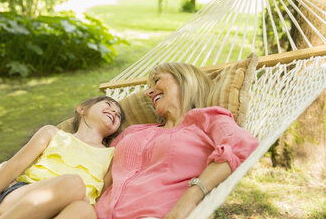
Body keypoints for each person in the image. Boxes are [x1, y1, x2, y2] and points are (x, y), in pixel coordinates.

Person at [95, 62, 259, 219]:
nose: (149, 93)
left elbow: (242, 146)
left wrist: (190, 198)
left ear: (185, 79)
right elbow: (104, 174)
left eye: (156, 81)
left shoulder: (207, 119)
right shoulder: (132, 131)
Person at [0, 96, 125, 219]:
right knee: (73, 183)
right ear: (82, 109)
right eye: (109, 104)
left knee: (85, 211)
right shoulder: (53, 134)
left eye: (118, 115)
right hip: (21, 202)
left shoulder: (110, 155)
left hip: (65, 212)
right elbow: (13, 167)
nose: (114, 112)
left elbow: (103, 199)